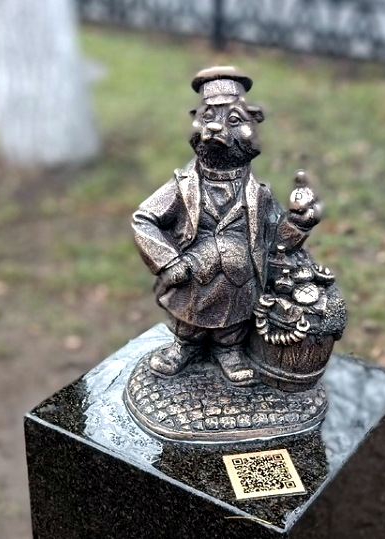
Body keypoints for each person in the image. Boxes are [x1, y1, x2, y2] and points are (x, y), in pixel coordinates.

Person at [132, 66, 320, 386]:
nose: (217, 127)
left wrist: (299, 224)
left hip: (240, 281)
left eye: (233, 120)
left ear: (253, 125)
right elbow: (144, 220)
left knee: (233, 321)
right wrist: (168, 260)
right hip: (193, 274)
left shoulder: (259, 194)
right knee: (188, 319)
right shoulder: (182, 186)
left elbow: (276, 239)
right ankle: (185, 346)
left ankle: (229, 350)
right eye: (208, 118)